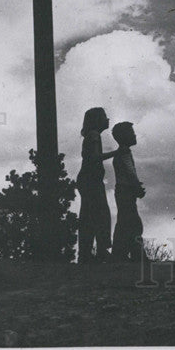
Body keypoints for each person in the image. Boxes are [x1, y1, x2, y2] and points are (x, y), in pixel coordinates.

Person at [76, 107, 115, 263]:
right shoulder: (94, 135)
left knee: (90, 216)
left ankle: (87, 252)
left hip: (88, 181)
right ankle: (99, 252)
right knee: (99, 215)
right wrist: (116, 153)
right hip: (91, 181)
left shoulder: (93, 135)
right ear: (96, 120)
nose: (108, 119)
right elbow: (94, 157)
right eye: (104, 116)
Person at [110, 121, 145, 262]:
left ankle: (121, 254)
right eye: (132, 133)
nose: (135, 135)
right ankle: (136, 255)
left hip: (123, 191)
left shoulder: (123, 152)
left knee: (125, 223)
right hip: (126, 191)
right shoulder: (124, 153)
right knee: (133, 223)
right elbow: (130, 172)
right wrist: (137, 187)